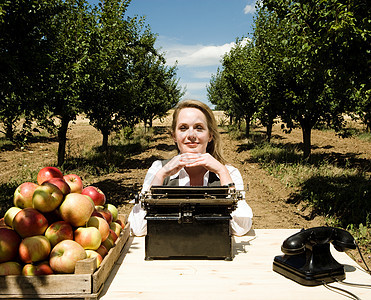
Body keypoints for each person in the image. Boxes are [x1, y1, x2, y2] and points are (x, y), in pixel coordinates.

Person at [128, 99, 253, 236]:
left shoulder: (229, 172)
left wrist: (222, 172)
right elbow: (138, 228)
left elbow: (241, 228)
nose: (191, 135)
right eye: (183, 128)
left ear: (210, 135)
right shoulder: (158, 168)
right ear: (174, 136)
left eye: (199, 128)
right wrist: (160, 175)